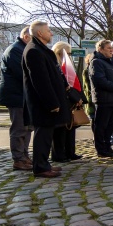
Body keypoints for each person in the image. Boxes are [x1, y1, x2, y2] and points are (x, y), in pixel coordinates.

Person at [22, 21, 70, 177]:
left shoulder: (41, 50)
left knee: (47, 135)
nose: (51, 34)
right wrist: (52, 103)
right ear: (40, 33)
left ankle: (44, 164)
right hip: (42, 104)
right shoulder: (34, 51)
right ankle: (40, 167)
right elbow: (40, 81)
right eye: (49, 31)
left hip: (47, 103)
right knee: (42, 136)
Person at [0, 26, 32, 171]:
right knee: (19, 128)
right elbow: (24, 73)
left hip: (23, 95)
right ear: (26, 37)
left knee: (27, 127)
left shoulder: (22, 49)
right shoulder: (15, 50)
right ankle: (18, 159)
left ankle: (25, 156)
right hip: (16, 95)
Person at [90, 39, 113, 158]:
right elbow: (100, 81)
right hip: (103, 99)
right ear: (100, 49)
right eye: (108, 49)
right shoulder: (96, 62)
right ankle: (101, 149)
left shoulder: (112, 62)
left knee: (110, 126)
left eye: (112, 48)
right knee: (101, 126)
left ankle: (107, 147)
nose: (111, 51)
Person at [51, 41, 87, 162]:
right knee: (60, 130)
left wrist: (78, 98)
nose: (69, 55)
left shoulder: (67, 65)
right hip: (61, 101)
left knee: (70, 128)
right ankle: (59, 154)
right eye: (68, 53)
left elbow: (74, 83)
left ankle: (70, 152)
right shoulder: (55, 65)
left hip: (70, 101)